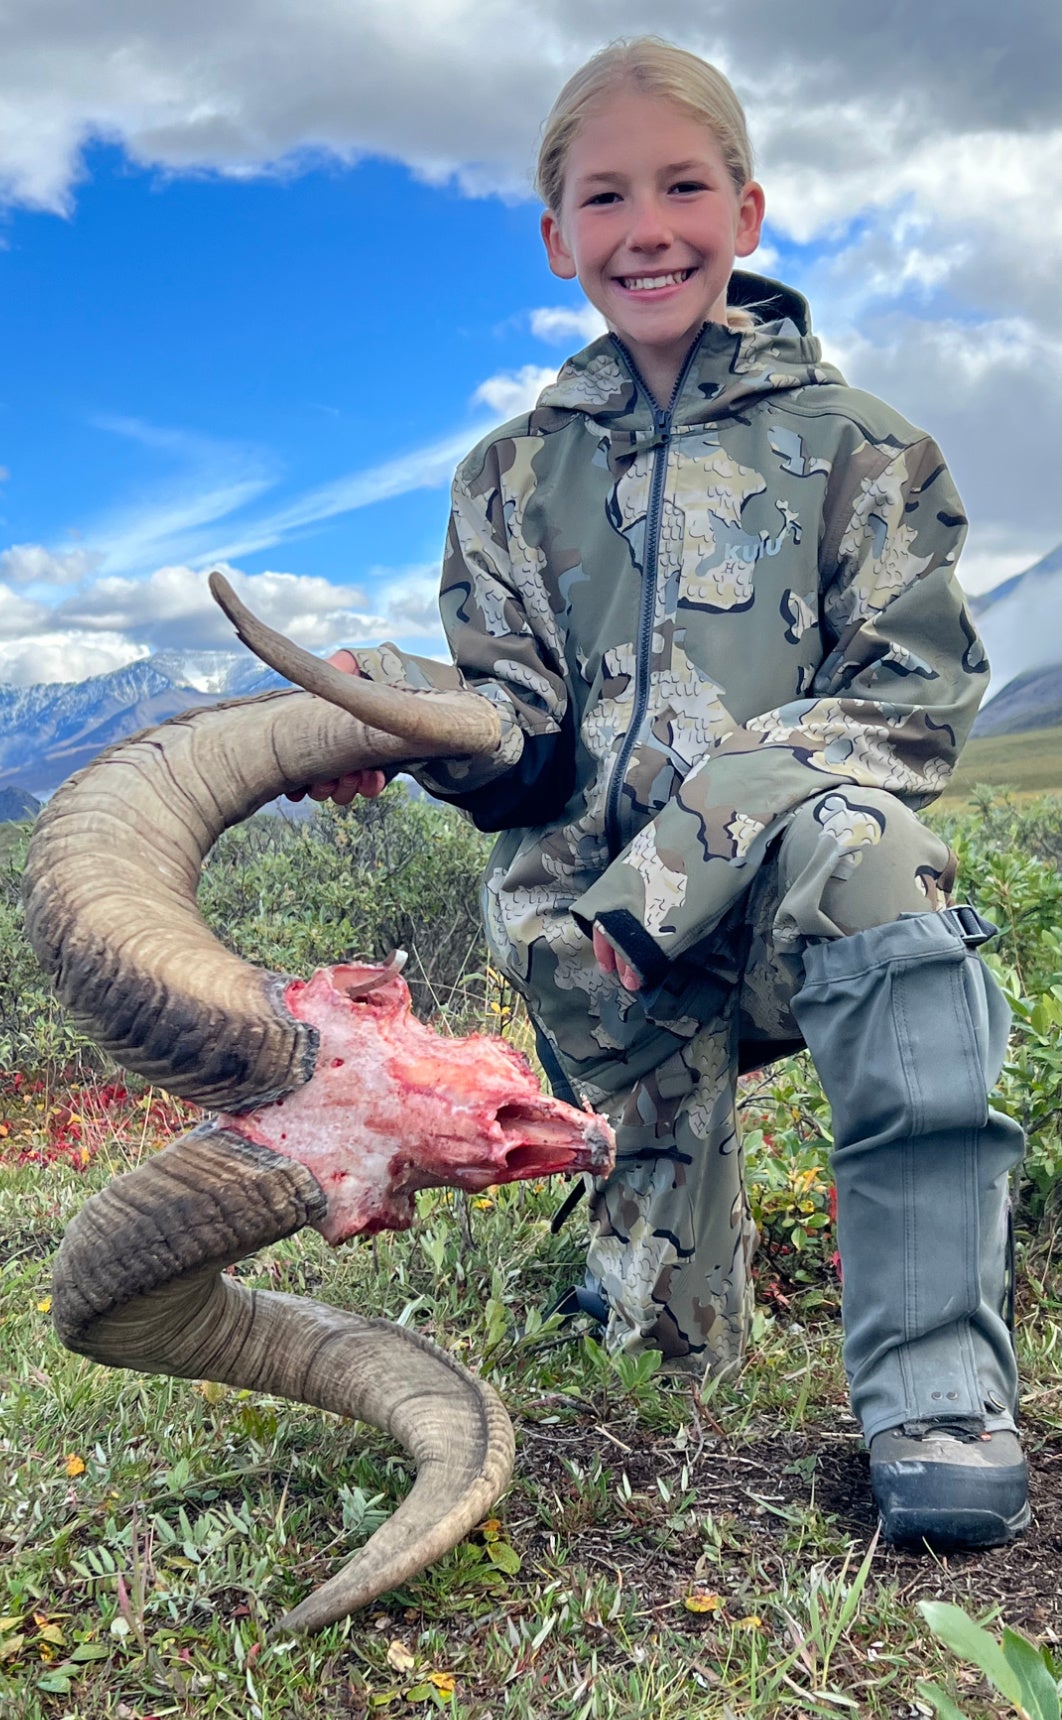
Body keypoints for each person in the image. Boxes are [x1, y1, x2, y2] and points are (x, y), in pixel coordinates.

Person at [299, 37, 1028, 1550]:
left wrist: (679, 864)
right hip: (592, 958)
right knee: (657, 1375)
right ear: (555, 236)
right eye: (605, 195)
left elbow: (906, 708)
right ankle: (645, 1276)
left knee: (872, 852)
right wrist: (389, 704)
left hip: (780, 914)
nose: (648, 228)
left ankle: (936, 1396)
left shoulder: (867, 453)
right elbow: (525, 746)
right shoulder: (505, 476)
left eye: (684, 186)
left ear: (747, 213)